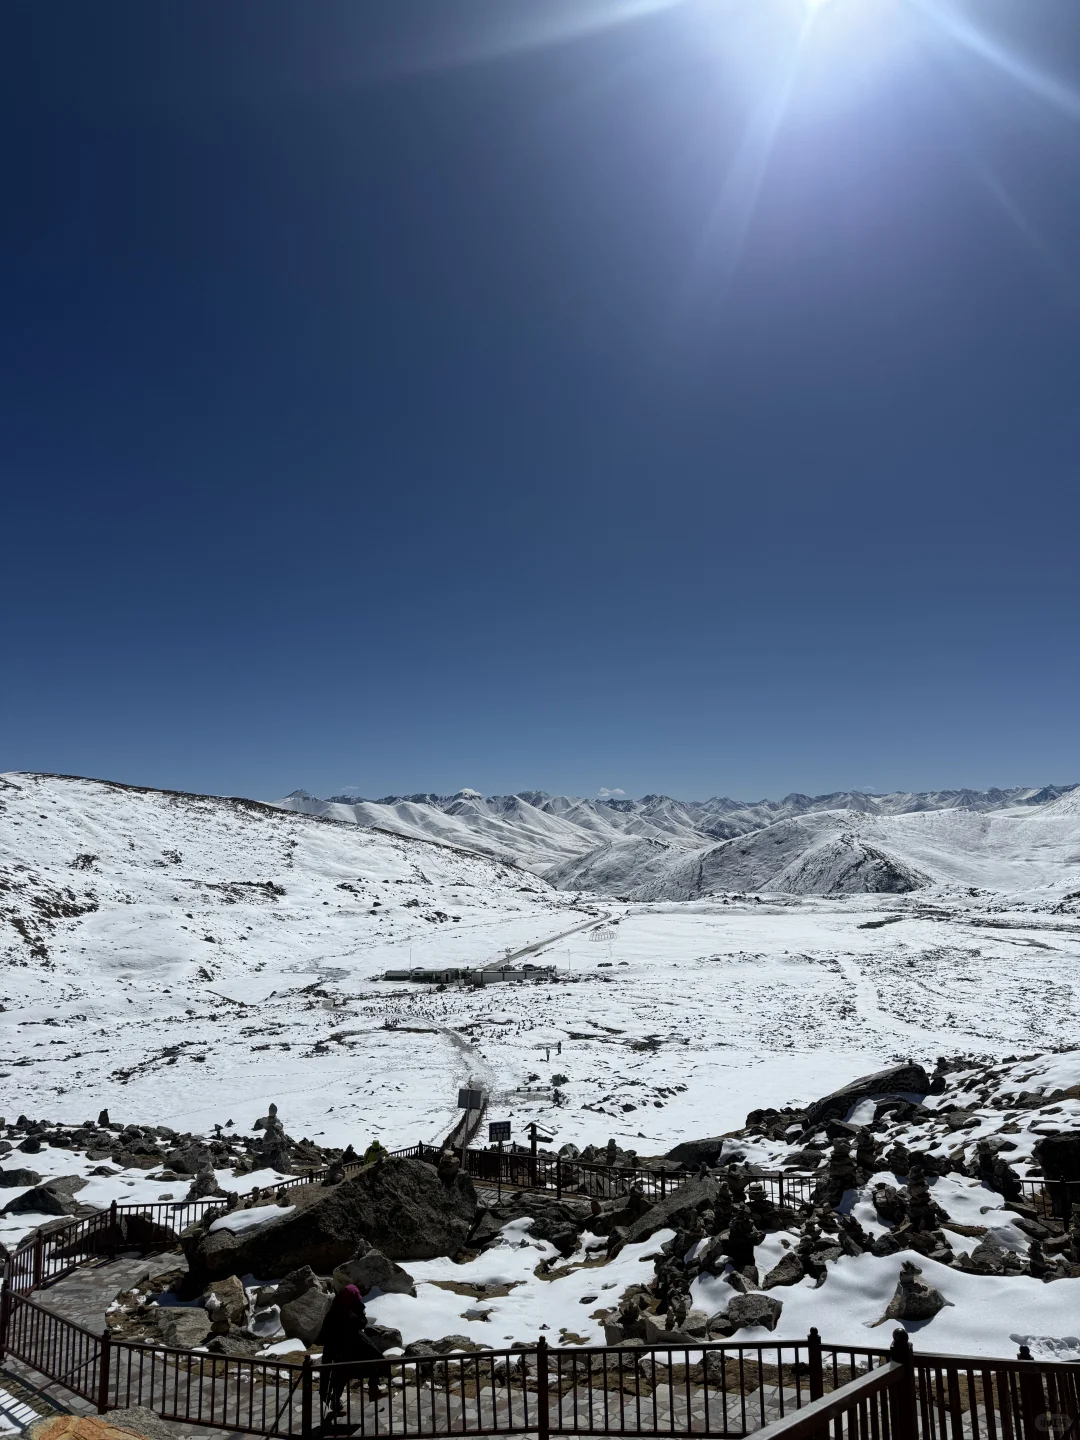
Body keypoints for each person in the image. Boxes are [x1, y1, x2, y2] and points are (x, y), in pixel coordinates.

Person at [318, 1285, 388, 1414]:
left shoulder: (338, 1309)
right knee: (362, 1365)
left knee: (346, 1374)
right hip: (344, 1351)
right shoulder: (345, 1313)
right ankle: (372, 1390)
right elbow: (359, 1323)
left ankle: (373, 1389)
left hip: (347, 1350)